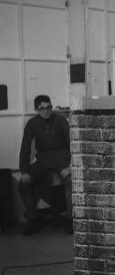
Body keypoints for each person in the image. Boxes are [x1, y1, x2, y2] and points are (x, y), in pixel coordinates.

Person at [18, 95, 72, 235]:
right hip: (43, 159)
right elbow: (25, 147)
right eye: (42, 109)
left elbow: (72, 143)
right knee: (22, 184)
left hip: (62, 157)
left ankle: (69, 220)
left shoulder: (60, 120)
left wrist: (71, 166)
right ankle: (33, 220)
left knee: (70, 181)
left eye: (48, 107)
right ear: (36, 110)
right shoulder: (32, 123)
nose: (46, 111)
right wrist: (24, 171)